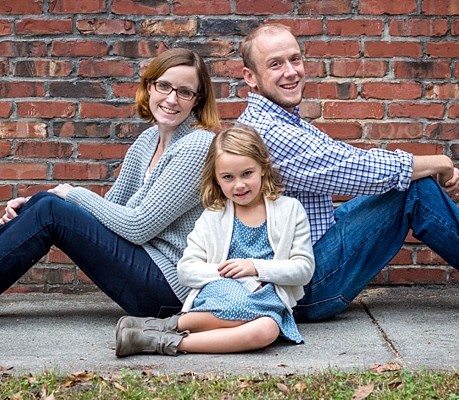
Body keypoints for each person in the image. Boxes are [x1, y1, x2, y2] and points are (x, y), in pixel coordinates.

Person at [234, 23, 459, 323]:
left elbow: (343, 157)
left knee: (405, 183)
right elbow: (354, 170)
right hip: (302, 288)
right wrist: (437, 161)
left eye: (295, 59)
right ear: (250, 77)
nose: (291, 71)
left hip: (308, 251)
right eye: (275, 64)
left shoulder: (277, 120)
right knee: (412, 189)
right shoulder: (269, 132)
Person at [0, 48, 220, 329]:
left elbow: (137, 225)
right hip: (144, 269)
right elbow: (110, 209)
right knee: (47, 207)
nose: (172, 99)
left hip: (167, 290)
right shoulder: (148, 140)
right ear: (149, 88)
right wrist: (35, 207)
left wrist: (65, 194)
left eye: (184, 91)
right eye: (164, 86)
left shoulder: (197, 146)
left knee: (54, 208)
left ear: (197, 100)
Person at [114, 124, 315, 357]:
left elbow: (304, 269)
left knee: (266, 331)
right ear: (217, 180)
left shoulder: (290, 211)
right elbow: (187, 270)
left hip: (268, 304)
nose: (239, 185)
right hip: (222, 296)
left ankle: (157, 337)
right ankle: (165, 329)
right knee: (244, 309)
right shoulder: (213, 216)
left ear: (263, 167)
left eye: (247, 173)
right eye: (228, 177)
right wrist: (241, 277)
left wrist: (255, 268)